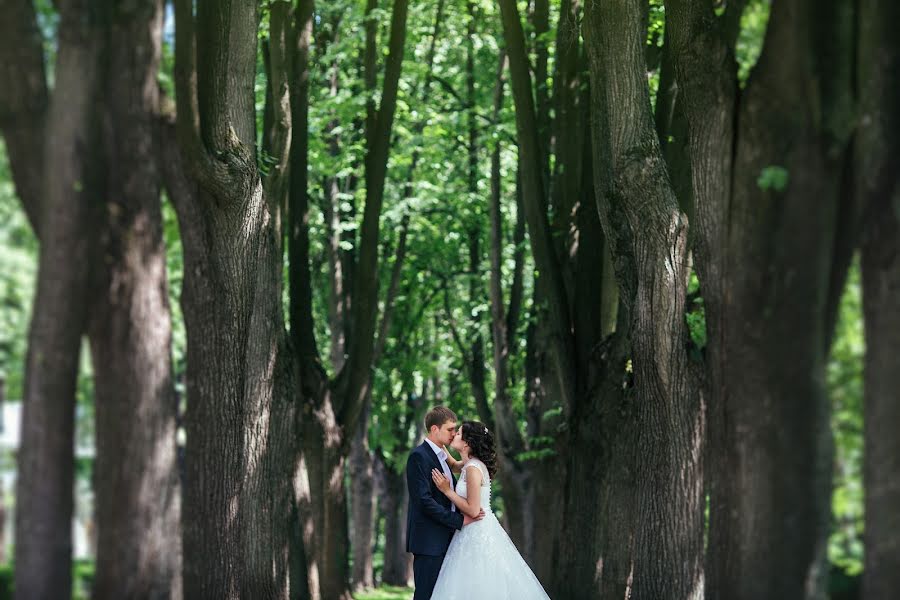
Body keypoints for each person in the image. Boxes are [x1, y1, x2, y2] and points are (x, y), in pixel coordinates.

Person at [429, 420, 551, 599]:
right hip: (471, 530)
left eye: (459, 433)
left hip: (476, 531)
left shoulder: (472, 468)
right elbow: (454, 464)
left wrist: (447, 491)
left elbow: (472, 509)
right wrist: (437, 441)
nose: (454, 434)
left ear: (467, 443)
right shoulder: (469, 465)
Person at [406, 407, 485, 600]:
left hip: (449, 540)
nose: (454, 434)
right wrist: (458, 520)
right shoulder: (419, 456)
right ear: (434, 429)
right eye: (450, 429)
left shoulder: (443, 457)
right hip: (429, 542)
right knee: (426, 595)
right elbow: (424, 501)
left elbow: (462, 467)